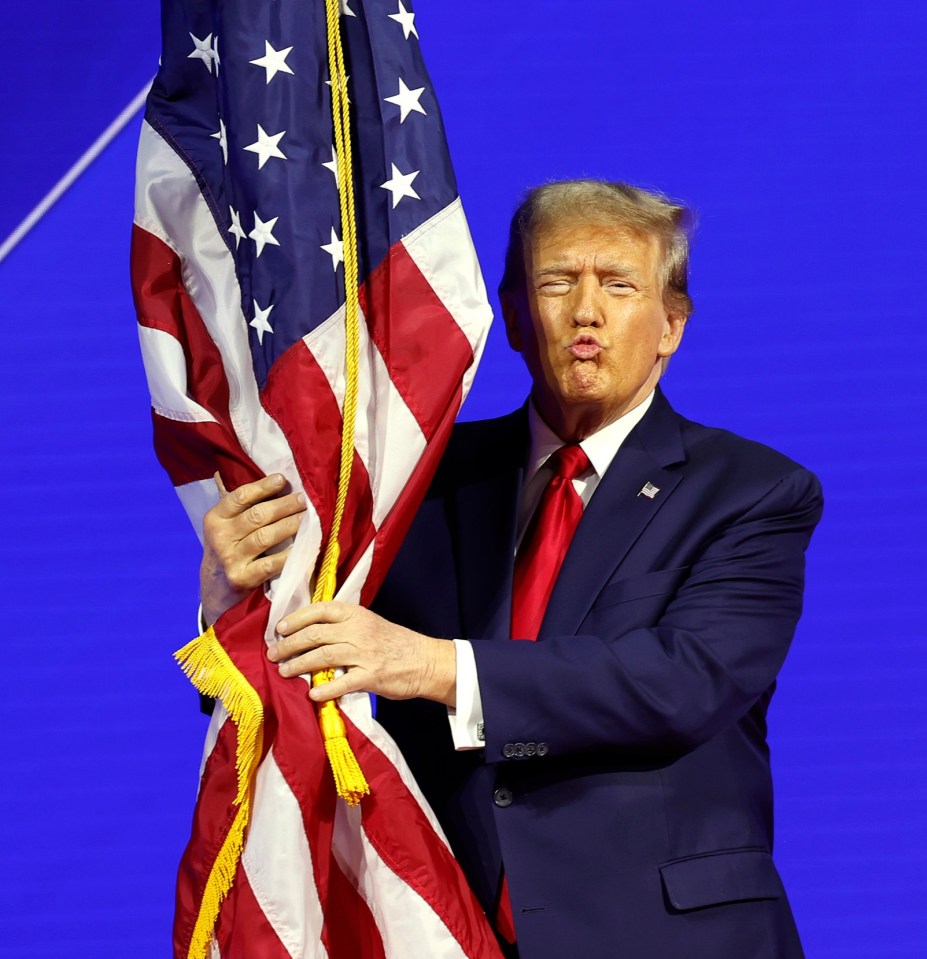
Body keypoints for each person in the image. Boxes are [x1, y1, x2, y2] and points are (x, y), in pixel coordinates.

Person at [200, 180, 822, 958]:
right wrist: (237, 603)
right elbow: (305, 665)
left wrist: (432, 666)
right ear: (517, 319)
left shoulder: (750, 489)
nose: (585, 312)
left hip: (666, 935)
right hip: (442, 925)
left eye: (618, 285)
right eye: (557, 282)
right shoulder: (414, 484)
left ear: (670, 325)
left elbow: (682, 680)